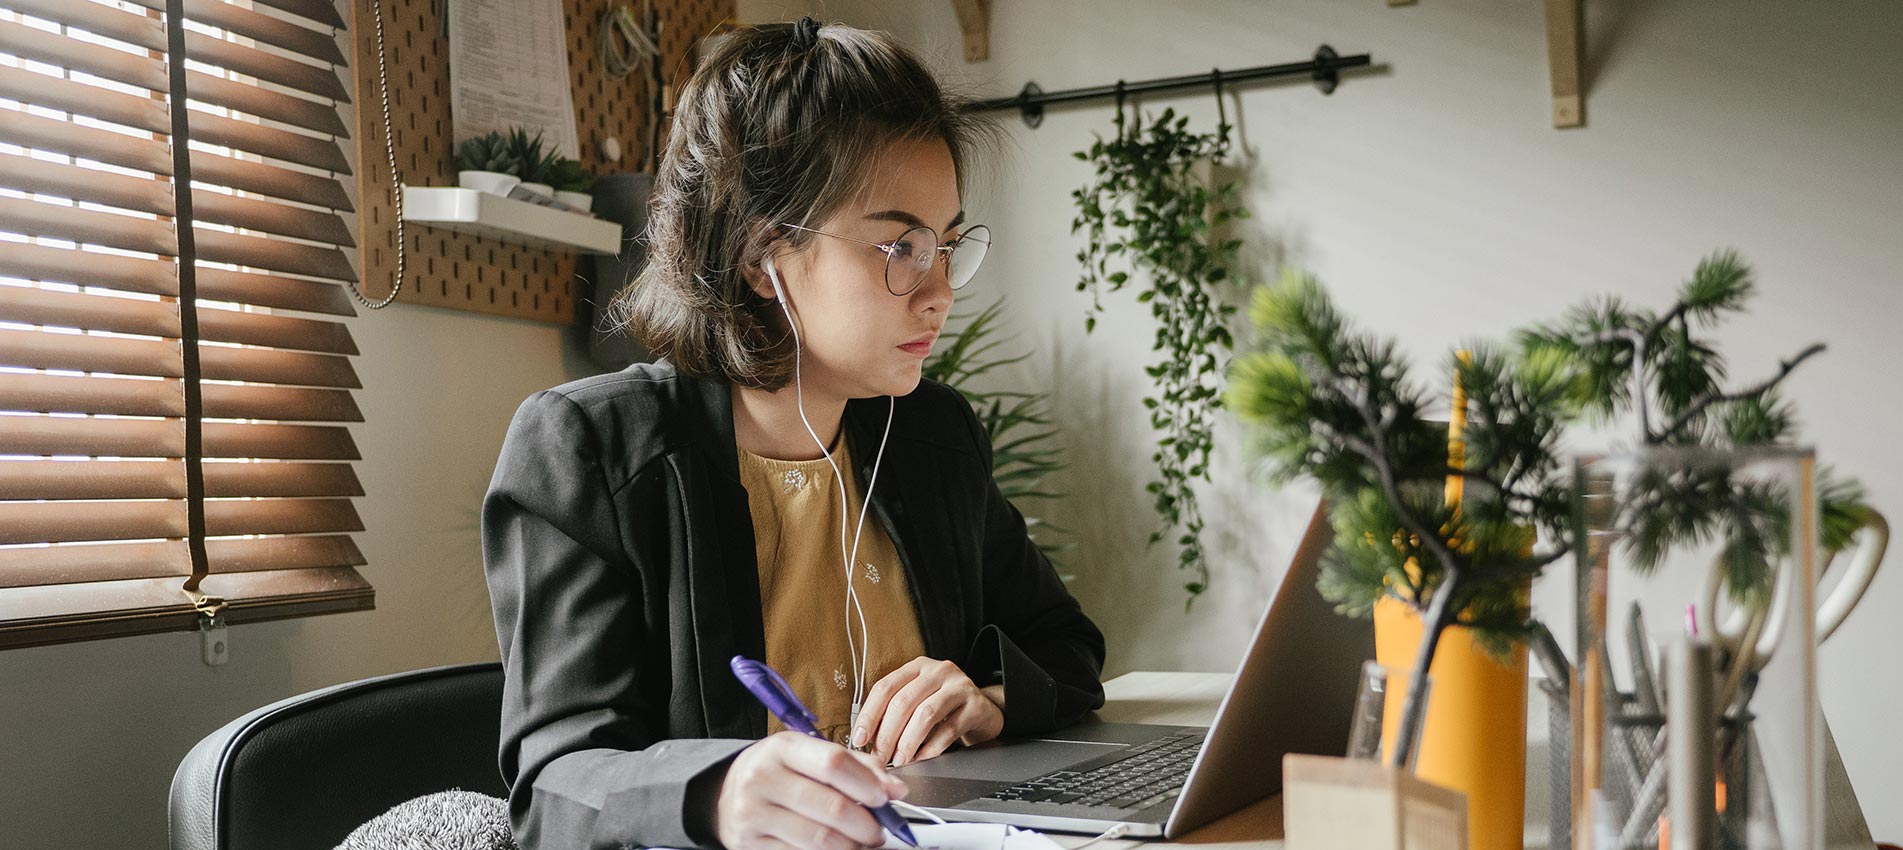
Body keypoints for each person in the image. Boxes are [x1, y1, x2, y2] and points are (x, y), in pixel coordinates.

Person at [481, 17, 1107, 850]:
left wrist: (986, 696)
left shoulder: (933, 437)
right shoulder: (586, 449)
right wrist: (715, 794)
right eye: (899, 246)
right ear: (760, 256)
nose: (939, 291)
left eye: (947, 244)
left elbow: (1065, 645)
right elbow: (553, 783)